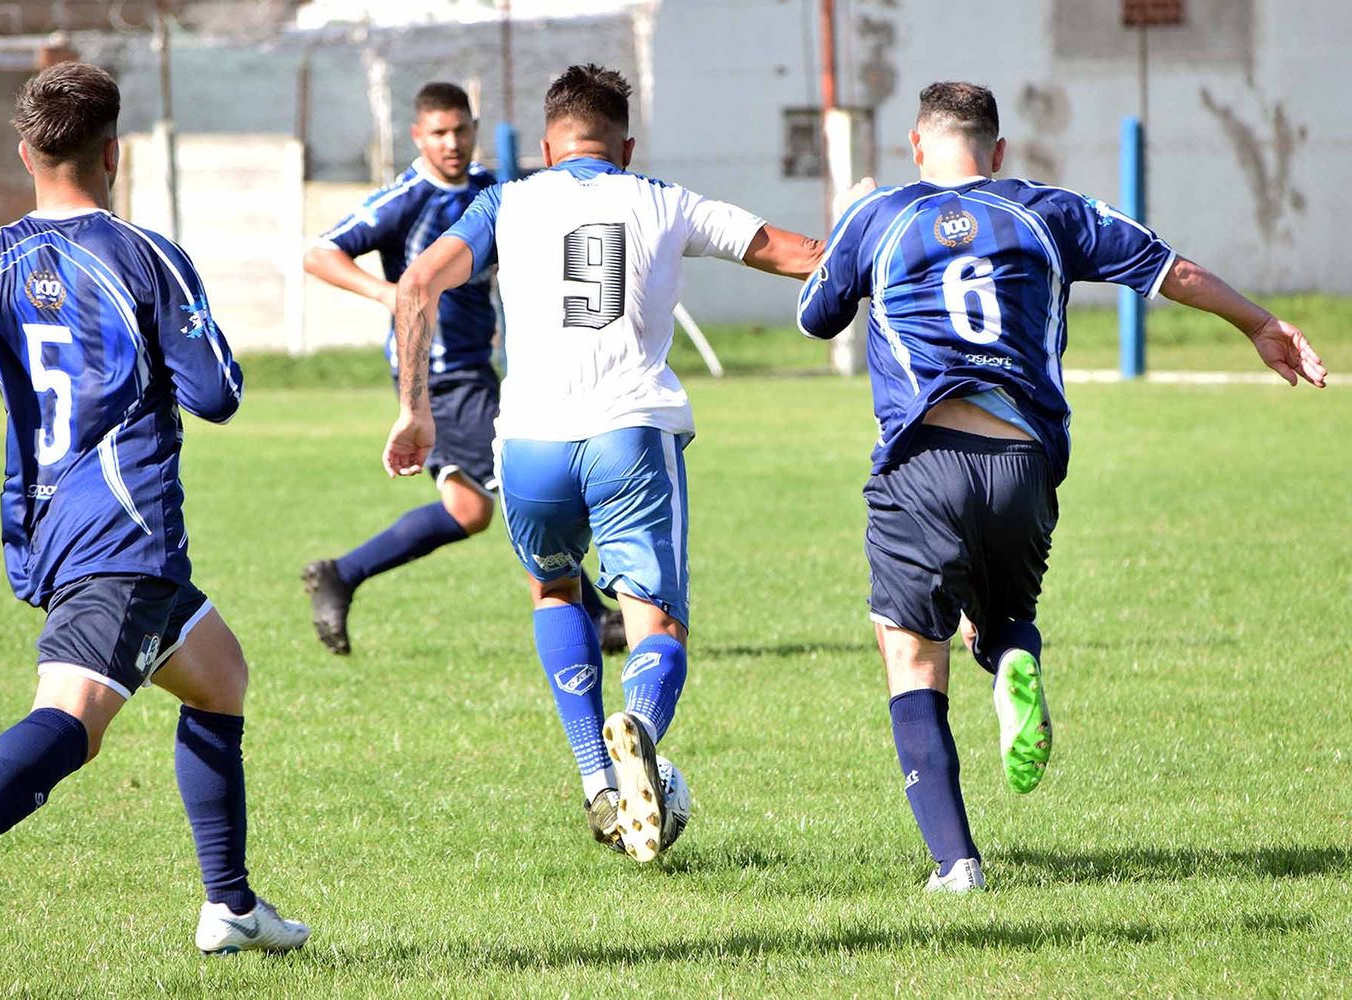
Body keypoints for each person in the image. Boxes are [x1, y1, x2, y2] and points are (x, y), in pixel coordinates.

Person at [797, 81, 1328, 892]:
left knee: (911, 653)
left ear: (915, 145)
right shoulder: (1047, 209)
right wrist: (1259, 322)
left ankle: (956, 863)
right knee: (1004, 617)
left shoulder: (883, 216)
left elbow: (815, 315)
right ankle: (1013, 656)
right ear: (999, 151)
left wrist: (847, 218)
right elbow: (1170, 271)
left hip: (923, 463)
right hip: (1024, 464)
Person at [0, 63, 310, 971]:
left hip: (53, 529)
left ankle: (229, 906)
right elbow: (216, 395)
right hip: (127, 531)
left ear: (26, 153)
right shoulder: (145, 255)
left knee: (220, 677)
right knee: (73, 719)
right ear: (114, 153)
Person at [382, 64, 824, 862]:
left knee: (554, 588)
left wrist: (415, 409)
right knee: (657, 621)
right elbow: (799, 256)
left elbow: (416, 288)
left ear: (550, 146)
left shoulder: (505, 200)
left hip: (529, 442)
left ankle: (597, 780)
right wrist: (865, 235)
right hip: (630, 432)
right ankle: (642, 731)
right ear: (625, 144)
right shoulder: (666, 199)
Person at [301, 82, 625, 655]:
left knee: (469, 510)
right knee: (532, 481)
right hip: (442, 375)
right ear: (417, 136)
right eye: (439, 132)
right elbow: (320, 252)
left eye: (462, 130)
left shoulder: (488, 191)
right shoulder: (406, 198)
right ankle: (597, 619)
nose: (452, 142)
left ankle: (342, 574)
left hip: (480, 370)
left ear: (475, 128)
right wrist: (387, 294)